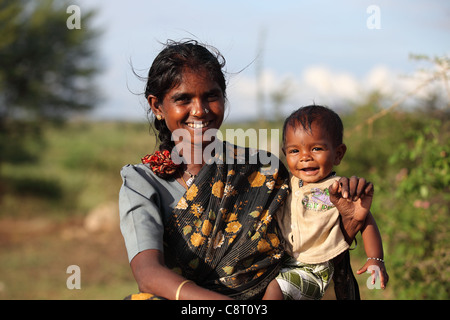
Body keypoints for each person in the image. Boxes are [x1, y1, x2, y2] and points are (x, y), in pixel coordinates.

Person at [119, 40, 371, 300]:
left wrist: (348, 223)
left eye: (211, 96)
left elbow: (303, 250)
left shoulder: (263, 169)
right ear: (157, 106)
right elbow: (147, 273)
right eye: (183, 99)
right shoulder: (142, 181)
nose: (200, 110)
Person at [263, 105, 389, 300]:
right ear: (285, 153)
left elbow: (364, 219)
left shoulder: (339, 189)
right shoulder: (285, 183)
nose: (305, 157)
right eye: (295, 150)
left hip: (314, 269)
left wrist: (375, 259)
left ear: (338, 154)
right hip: (283, 261)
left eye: (316, 148)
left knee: (274, 290)